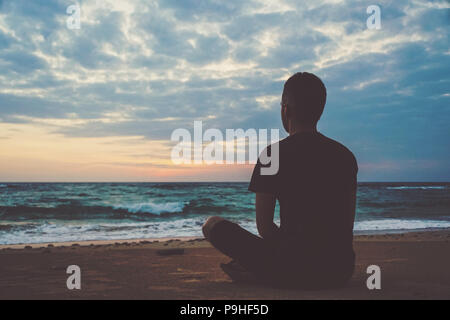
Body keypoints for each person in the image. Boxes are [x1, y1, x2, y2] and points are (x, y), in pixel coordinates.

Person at [202, 72, 358, 289]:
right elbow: (346, 226)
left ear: (286, 109)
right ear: (319, 110)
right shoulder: (345, 156)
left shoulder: (271, 156)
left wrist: (283, 254)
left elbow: (264, 228)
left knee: (212, 225)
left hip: (293, 268)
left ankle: (263, 272)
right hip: (339, 271)